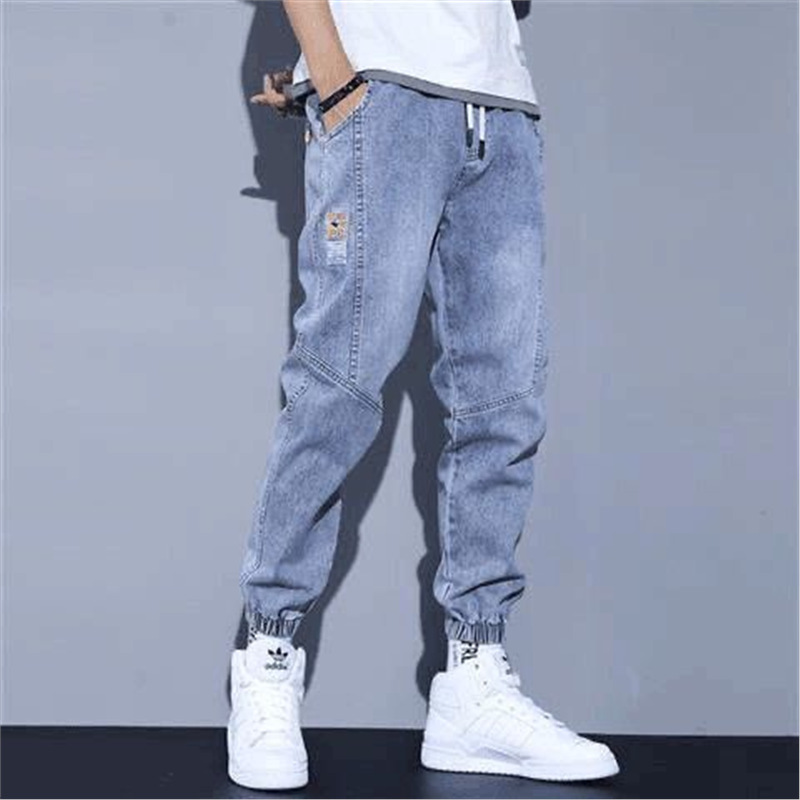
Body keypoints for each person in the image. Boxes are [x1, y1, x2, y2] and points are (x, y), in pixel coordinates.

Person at [227, 0, 620, 790]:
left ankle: (474, 676)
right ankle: (268, 655)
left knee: (503, 404)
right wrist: (332, 74)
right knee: (339, 386)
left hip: (500, 106)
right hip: (384, 91)